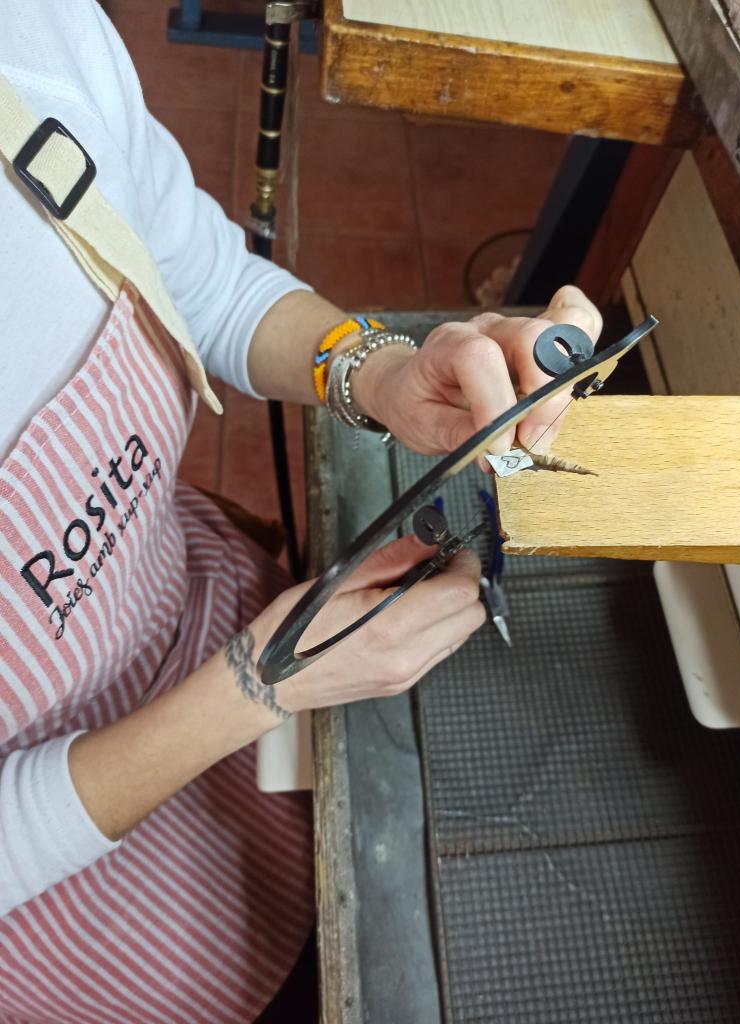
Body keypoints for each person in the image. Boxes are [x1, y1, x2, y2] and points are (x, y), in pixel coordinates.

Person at [0, 1, 602, 1021]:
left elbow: (202, 279)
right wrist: (255, 685)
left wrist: (377, 371)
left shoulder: (31, 35)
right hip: (96, 912)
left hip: (214, 608)